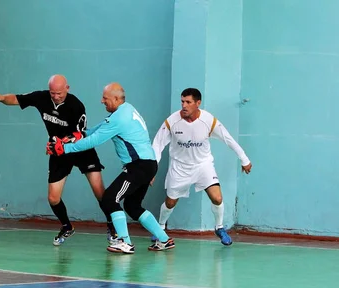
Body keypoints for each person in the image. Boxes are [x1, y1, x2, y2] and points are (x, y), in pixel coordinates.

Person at [0, 75, 117, 246]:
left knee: (100, 192)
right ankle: (67, 226)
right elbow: (18, 99)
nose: (56, 96)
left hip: (81, 149)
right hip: (58, 153)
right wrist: (2, 98)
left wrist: (61, 144)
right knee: (53, 198)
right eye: (53, 93)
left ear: (67, 88)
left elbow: (79, 135)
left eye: (59, 93)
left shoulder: (76, 105)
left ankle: (112, 226)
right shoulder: (41, 97)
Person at [47, 82, 175, 254]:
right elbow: (99, 129)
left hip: (139, 166)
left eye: (105, 98)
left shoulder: (119, 118)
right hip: (147, 164)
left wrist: (64, 149)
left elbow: (96, 141)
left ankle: (124, 242)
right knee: (132, 206)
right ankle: (164, 240)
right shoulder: (126, 110)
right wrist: (77, 135)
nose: (101, 101)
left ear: (116, 98)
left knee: (109, 199)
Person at [151, 88, 252, 246]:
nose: (184, 105)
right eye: (182, 102)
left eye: (188, 102)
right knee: (170, 203)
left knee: (217, 198)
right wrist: (152, 168)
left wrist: (244, 159)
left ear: (198, 103)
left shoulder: (209, 121)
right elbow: (157, 145)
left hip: (203, 166)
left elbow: (228, 139)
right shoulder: (172, 121)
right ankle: (160, 227)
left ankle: (219, 227)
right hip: (180, 167)